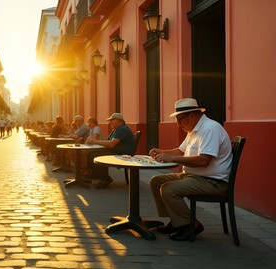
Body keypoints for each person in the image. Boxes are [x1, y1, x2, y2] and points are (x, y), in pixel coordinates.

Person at [149, 98, 232, 241]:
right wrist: (162, 152)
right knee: (156, 181)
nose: (177, 124)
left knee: (169, 189)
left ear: (191, 115)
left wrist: (171, 158)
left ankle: (191, 225)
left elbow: (203, 160)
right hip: (193, 176)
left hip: (212, 181)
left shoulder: (210, 129)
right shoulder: (194, 129)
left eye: (179, 119)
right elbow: (180, 151)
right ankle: (177, 222)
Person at [85, 113, 136, 189]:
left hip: (123, 154)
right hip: (117, 151)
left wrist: (95, 141)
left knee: (97, 156)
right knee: (91, 153)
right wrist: (97, 142)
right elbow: (108, 142)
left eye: (111, 120)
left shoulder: (122, 129)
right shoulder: (117, 129)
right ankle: (96, 174)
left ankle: (106, 179)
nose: (110, 123)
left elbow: (111, 144)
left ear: (118, 121)